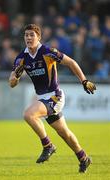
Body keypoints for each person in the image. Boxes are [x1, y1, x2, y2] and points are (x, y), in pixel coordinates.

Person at [9, 24, 96, 173]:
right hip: (43, 99)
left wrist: (84, 81)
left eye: (32, 35)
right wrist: (15, 76)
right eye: (26, 35)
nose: (28, 38)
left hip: (55, 96)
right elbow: (12, 83)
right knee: (64, 133)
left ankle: (48, 145)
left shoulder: (48, 52)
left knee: (29, 114)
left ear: (39, 37)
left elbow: (71, 62)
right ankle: (83, 158)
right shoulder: (21, 58)